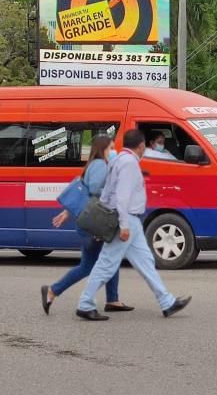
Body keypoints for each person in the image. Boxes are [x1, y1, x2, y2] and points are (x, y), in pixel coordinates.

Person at [76, 130, 191, 321]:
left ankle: (167, 302)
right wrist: (123, 225)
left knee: (146, 261)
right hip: (126, 219)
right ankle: (85, 304)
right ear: (141, 145)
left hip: (130, 220)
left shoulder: (118, 160)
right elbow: (121, 197)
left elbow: (107, 194)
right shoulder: (128, 163)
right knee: (106, 263)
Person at [41, 135, 133, 315]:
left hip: (94, 222)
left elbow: (84, 193)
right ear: (102, 149)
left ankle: (113, 299)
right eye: (111, 148)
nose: (114, 151)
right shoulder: (99, 165)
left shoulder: (96, 164)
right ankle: (53, 290)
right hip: (94, 224)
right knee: (89, 265)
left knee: (110, 258)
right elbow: (95, 193)